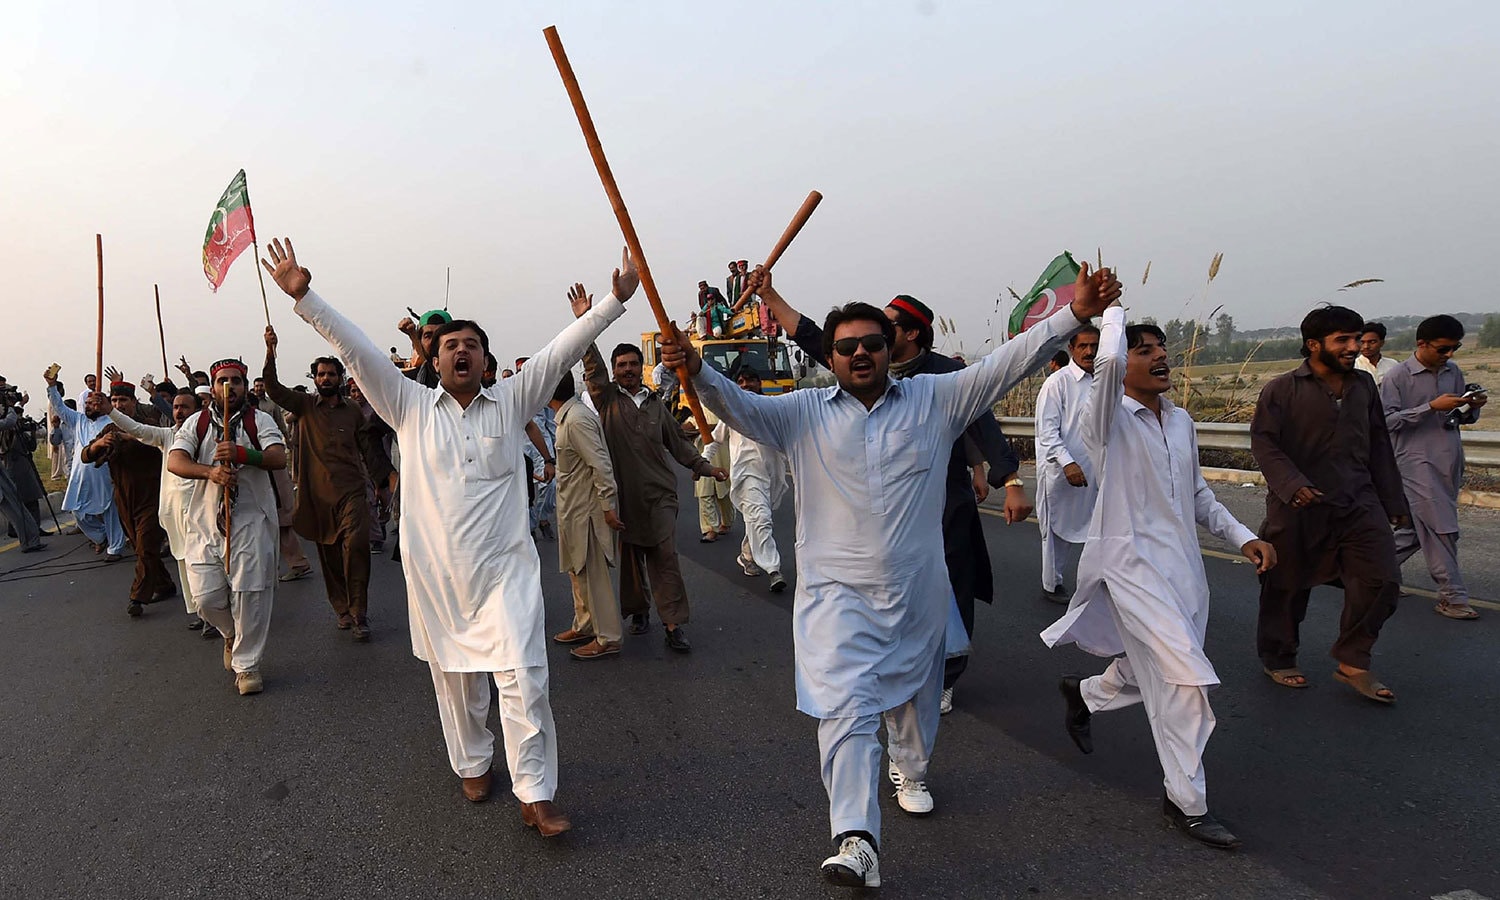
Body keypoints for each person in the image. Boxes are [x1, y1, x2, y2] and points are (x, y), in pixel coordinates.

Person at [663, 262, 1118, 889]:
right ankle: (856, 838)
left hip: (916, 593)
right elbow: (736, 407)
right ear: (830, 356)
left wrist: (1074, 313)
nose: (859, 354)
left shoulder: (937, 399)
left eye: (871, 343)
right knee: (845, 709)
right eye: (845, 346)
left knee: (913, 702)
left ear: (889, 349)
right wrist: (696, 368)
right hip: (835, 599)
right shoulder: (800, 413)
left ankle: (911, 766)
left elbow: (1007, 364)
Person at [263, 237, 642, 837]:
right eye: (449, 345)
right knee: (457, 681)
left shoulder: (512, 399)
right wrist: (305, 298)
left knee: (525, 677)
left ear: (487, 362)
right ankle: (472, 762)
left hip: (507, 572)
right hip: (438, 577)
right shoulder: (408, 406)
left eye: (471, 345)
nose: (460, 351)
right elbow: (357, 351)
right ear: (433, 361)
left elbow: (557, 352)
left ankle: (536, 792)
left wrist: (612, 303)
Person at [1042, 307, 1275, 850]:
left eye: (1162, 348)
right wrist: (1111, 313)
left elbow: (1197, 494)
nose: (1160, 356)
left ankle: (1085, 694)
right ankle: (1187, 802)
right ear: (1121, 362)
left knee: (1150, 665)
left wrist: (1243, 537)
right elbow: (1104, 369)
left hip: (1185, 572)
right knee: (1185, 681)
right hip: (1131, 570)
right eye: (1143, 350)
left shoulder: (1181, 421)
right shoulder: (1104, 421)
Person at [761, 283, 1029, 716]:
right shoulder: (858, 371)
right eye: (849, 346)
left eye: (881, 332)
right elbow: (813, 337)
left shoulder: (942, 377)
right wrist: (771, 299)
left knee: (950, 585)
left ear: (908, 334)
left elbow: (982, 422)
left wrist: (1008, 479)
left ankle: (944, 674)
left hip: (941, 499)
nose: (862, 348)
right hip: (873, 511)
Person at [1252, 305, 1410, 704]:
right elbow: (1265, 444)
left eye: (1356, 338)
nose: (1354, 347)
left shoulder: (1363, 385)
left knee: (1382, 578)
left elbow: (1379, 442)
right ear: (1313, 344)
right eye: (1343, 340)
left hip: (1358, 501)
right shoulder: (1281, 390)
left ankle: (1353, 661)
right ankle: (1279, 656)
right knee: (1286, 587)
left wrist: (1393, 498)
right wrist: (1293, 484)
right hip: (1297, 507)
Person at [579, 294, 726, 652]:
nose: (628, 369)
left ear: (640, 366)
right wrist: (586, 322)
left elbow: (678, 444)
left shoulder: (656, 404)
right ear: (614, 371)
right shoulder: (606, 400)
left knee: (665, 559)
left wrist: (705, 467)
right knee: (631, 561)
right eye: (622, 365)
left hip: (660, 496)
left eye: (633, 364)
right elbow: (592, 368)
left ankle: (673, 624)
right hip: (624, 497)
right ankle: (639, 611)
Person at [168, 359, 289, 696]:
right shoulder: (197, 422)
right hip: (206, 522)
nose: (230, 387)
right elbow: (175, 461)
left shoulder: (259, 420)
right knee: (206, 597)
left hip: (251, 519)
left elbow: (278, 457)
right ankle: (229, 633)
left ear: (245, 386)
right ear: (212, 387)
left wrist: (243, 454)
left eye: (236, 381)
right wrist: (210, 472)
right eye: (223, 381)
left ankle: (247, 666)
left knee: (250, 593)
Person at [263, 327, 375, 640]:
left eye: (331, 374)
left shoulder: (353, 410)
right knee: (330, 557)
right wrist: (271, 351)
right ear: (314, 378)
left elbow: (367, 447)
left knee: (357, 548)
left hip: (352, 492)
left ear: (340, 378)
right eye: (321, 374)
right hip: (318, 496)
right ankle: (342, 609)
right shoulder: (304, 405)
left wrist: (380, 483)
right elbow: (273, 389)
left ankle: (359, 613)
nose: (326, 378)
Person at [1381, 314, 1487, 620]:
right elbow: (1386, 421)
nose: (1449, 354)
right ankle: (1453, 596)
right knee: (1442, 528)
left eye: (1455, 348)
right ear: (1422, 344)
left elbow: (1457, 416)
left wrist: (1470, 407)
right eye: (1443, 349)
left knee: (1416, 529)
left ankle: (1369, 573)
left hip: (1449, 459)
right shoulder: (1397, 376)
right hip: (1416, 460)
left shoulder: (1453, 371)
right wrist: (1429, 407)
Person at [108, 387, 210, 632]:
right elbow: (137, 430)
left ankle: (215, 613)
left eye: (185, 407)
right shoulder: (167, 436)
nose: (179, 412)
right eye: (175, 407)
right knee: (184, 563)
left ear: (198, 411)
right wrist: (109, 411)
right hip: (174, 515)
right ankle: (200, 612)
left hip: (203, 514)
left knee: (206, 565)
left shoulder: (209, 437)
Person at [82, 377, 176, 617]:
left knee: (146, 547)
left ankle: (137, 597)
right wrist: (98, 445)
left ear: (134, 402)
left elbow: (148, 437)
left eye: (123, 400)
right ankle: (164, 585)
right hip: (123, 498)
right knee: (140, 547)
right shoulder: (108, 430)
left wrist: (128, 437)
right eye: (114, 400)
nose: (118, 405)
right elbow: (86, 456)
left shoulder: (148, 424)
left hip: (151, 496)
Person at [549, 368, 626, 659]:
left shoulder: (577, 420)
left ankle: (608, 637)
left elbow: (601, 465)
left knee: (594, 576)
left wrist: (608, 507)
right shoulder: (568, 417)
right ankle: (585, 625)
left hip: (588, 513)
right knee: (578, 572)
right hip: (573, 510)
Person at [705, 366, 789, 592]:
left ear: (759, 383)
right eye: (740, 382)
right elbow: (715, 440)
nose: (745, 385)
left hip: (771, 474)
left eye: (750, 380)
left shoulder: (772, 407)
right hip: (746, 475)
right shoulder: (730, 411)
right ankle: (774, 569)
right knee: (761, 518)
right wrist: (702, 462)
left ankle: (747, 555)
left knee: (758, 518)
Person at [1034, 326, 1101, 603]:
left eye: (1094, 345)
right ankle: (1052, 583)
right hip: (1063, 469)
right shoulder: (1057, 383)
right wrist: (1067, 463)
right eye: (1083, 346)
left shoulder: (1106, 380)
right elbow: (1047, 432)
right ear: (1071, 349)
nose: (1089, 351)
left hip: (1097, 468)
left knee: (1103, 525)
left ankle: (1099, 582)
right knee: (1056, 528)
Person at [48, 370, 127, 559]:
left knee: (110, 511)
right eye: (87, 403)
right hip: (80, 475)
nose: (88, 406)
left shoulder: (112, 420)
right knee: (78, 511)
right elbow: (59, 406)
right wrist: (51, 386)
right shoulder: (78, 420)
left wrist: (117, 385)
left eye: (92, 403)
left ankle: (115, 549)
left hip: (104, 474)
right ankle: (100, 536)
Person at [0, 405, 46, 553]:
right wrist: (10, 407)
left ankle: (31, 539)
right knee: (14, 507)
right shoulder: (8, 428)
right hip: (10, 470)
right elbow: (9, 422)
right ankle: (29, 541)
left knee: (16, 507)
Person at [694, 412, 733, 542]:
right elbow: (692, 421)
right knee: (704, 493)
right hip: (703, 453)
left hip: (723, 453)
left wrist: (705, 427)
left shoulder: (723, 405)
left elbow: (727, 425)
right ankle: (711, 529)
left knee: (724, 493)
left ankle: (727, 522)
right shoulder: (697, 405)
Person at [398, 310, 454, 388]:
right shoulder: (408, 383)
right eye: (428, 336)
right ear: (420, 341)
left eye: (441, 334)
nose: (434, 340)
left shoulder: (469, 377)